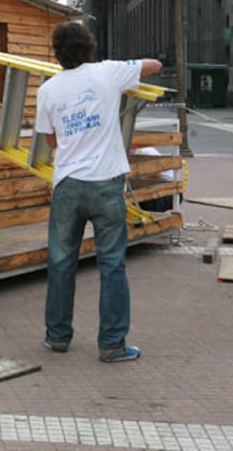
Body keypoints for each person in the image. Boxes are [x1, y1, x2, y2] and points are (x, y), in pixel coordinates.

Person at [33, 21, 162, 362]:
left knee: (61, 262)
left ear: (57, 53)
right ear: (90, 46)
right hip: (106, 183)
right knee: (112, 264)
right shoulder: (109, 73)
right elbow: (154, 65)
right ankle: (112, 345)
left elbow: (51, 141)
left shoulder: (48, 89)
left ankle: (57, 337)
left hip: (68, 184)